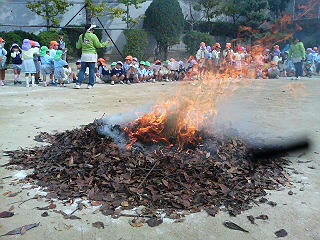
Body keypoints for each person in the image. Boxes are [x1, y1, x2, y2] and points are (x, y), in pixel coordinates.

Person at [75, 24, 109, 89]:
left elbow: (78, 46)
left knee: (82, 70)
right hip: (92, 56)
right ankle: (90, 84)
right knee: (91, 71)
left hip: (84, 56)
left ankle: (78, 84)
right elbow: (99, 45)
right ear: (90, 29)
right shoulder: (93, 36)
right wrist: (106, 43)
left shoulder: (81, 36)